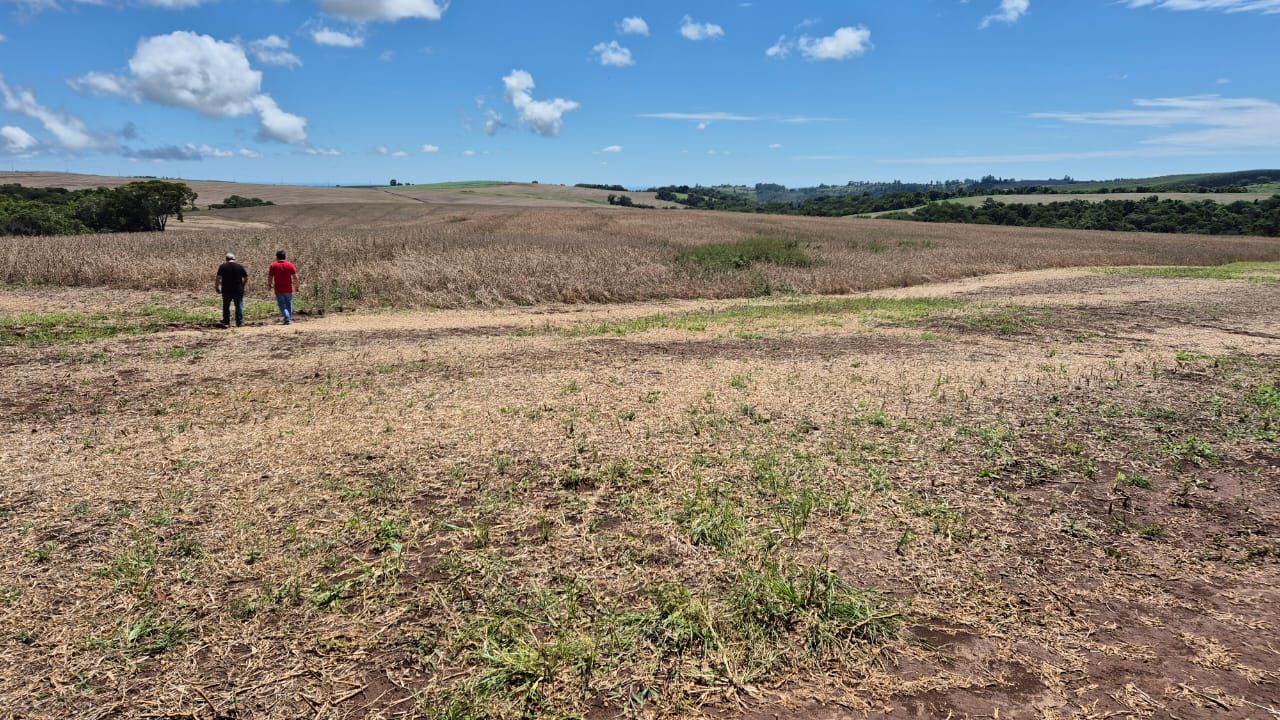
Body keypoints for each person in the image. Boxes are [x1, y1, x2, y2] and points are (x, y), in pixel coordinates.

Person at [215, 253, 249, 328]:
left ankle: (226, 321)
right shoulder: (240, 266)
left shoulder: (223, 266)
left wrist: (217, 287)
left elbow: (218, 278)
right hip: (238, 289)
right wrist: (243, 285)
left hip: (226, 289)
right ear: (234, 259)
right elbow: (246, 277)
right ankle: (239, 322)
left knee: (226, 305)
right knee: (239, 305)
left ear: (226, 259)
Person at [267, 250, 299, 325]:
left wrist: (269, 285)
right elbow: (295, 277)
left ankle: (287, 318)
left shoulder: (273, 266)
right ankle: (288, 319)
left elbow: (270, 277)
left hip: (279, 289)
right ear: (285, 256)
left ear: (277, 257)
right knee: (289, 304)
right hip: (288, 288)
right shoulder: (290, 265)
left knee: (282, 304)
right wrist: (297, 286)